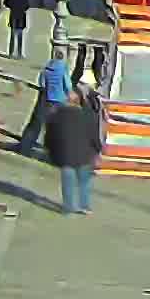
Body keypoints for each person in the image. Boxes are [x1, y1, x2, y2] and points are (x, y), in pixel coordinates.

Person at [49, 75, 103, 214]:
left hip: (65, 155)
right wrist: (98, 150)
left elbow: (50, 136)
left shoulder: (56, 115)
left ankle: (68, 207)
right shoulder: (87, 115)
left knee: (68, 183)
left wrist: (51, 153)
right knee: (84, 182)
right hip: (84, 155)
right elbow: (94, 135)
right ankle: (84, 206)